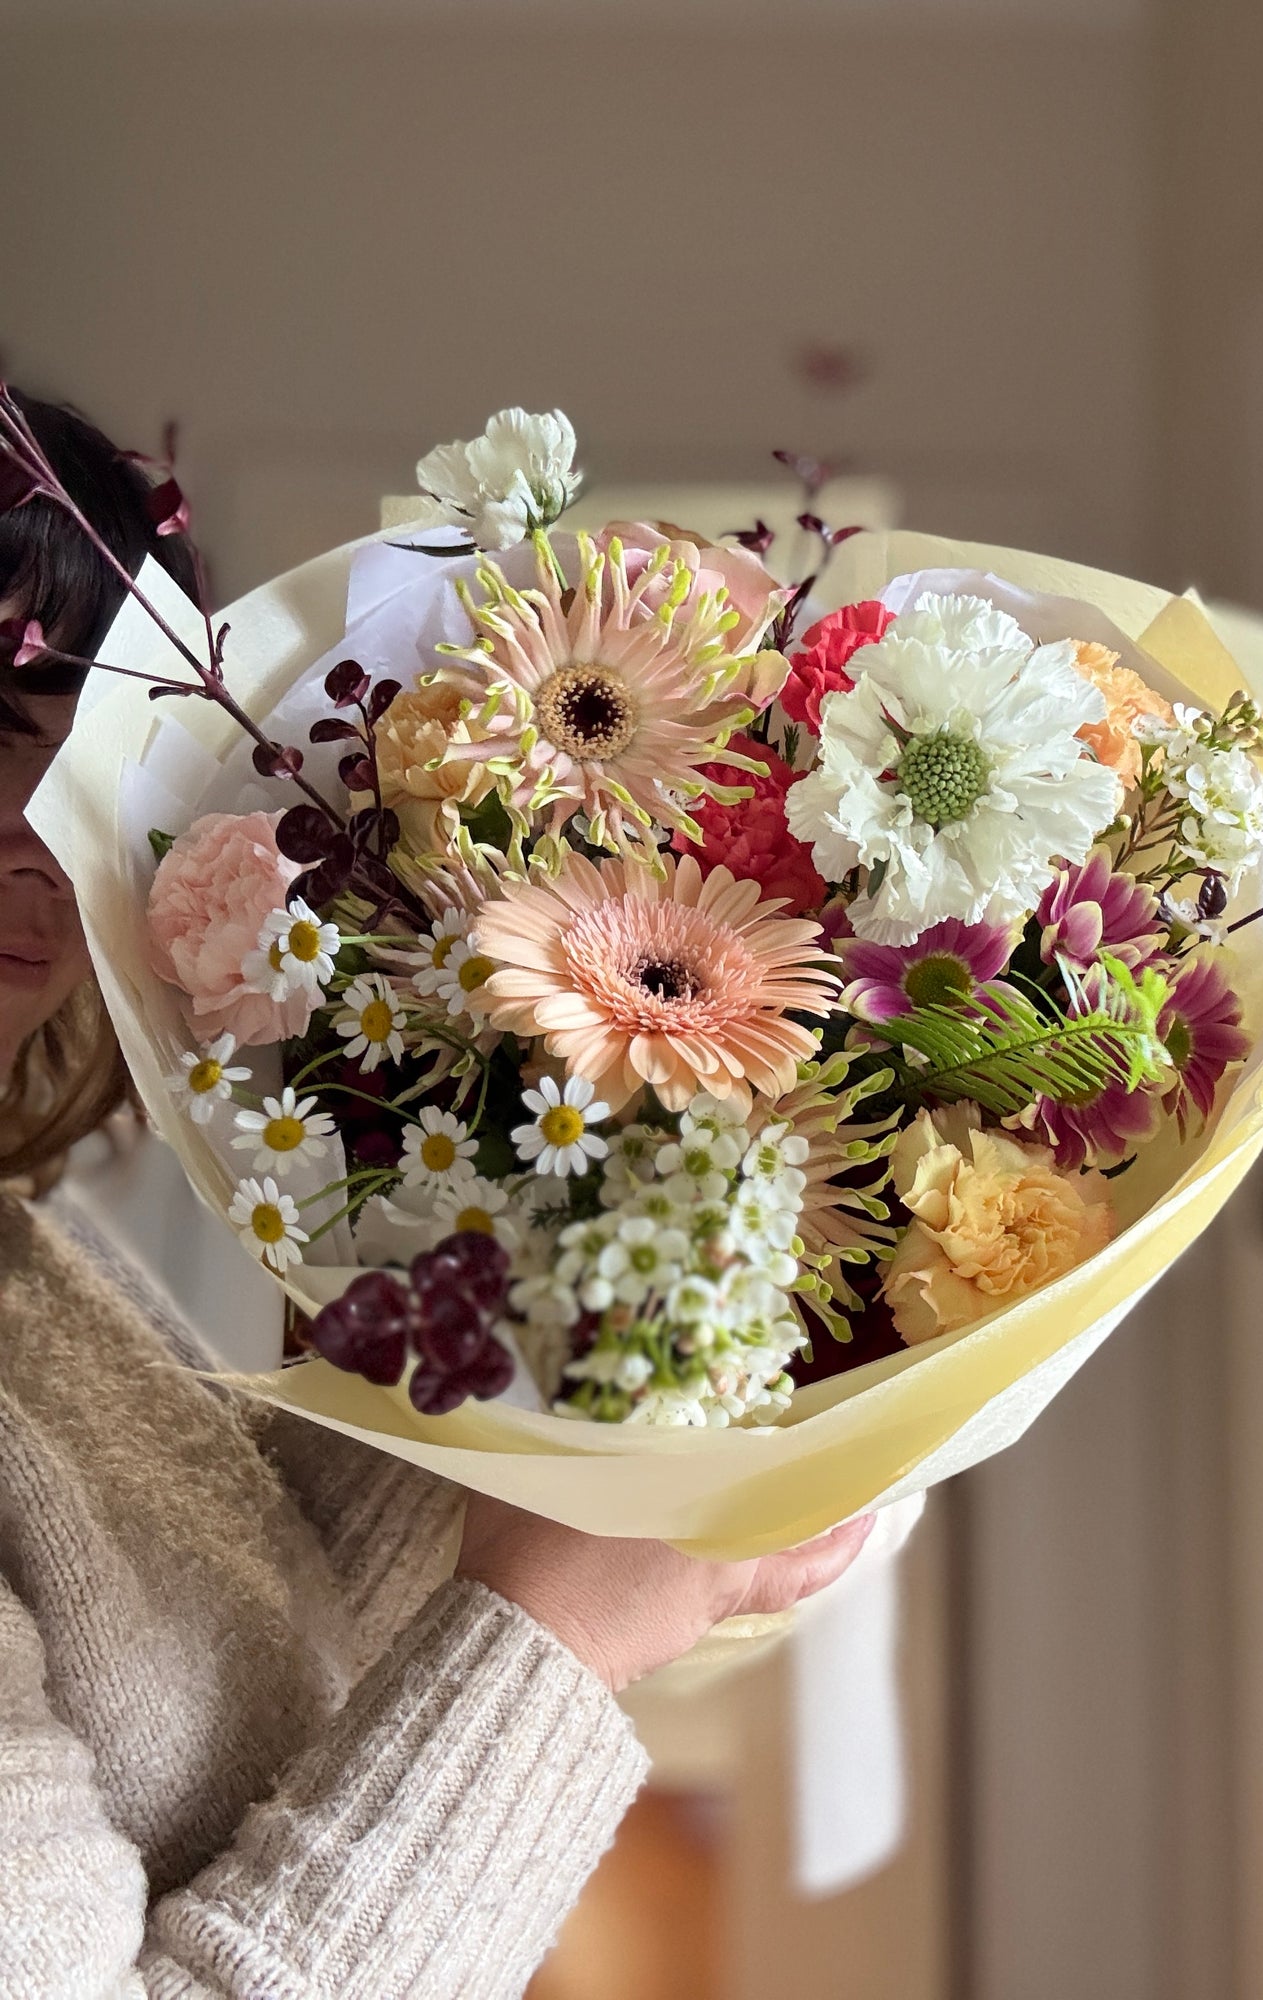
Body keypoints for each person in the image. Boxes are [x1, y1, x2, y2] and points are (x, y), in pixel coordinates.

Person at [0, 392, 874, 1998]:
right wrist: (562, 1633)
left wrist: (568, 1304)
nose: (45, 836)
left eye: (88, 748)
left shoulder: (30, 1264)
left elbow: (255, 1634)